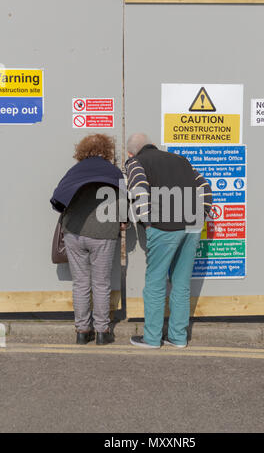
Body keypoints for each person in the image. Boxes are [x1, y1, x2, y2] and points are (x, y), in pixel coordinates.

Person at [125, 133, 212, 349]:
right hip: (191, 227)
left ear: (130, 152)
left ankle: (152, 339)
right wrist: (201, 215)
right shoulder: (181, 160)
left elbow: (138, 190)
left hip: (163, 227)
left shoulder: (136, 162)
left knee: (155, 284)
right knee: (181, 284)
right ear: (153, 145)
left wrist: (148, 224)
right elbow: (205, 188)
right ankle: (178, 337)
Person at [50, 134, 126, 345]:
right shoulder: (113, 171)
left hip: (74, 233)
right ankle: (102, 332)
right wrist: (123, 221)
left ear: (81, 151)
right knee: (101, 284)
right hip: (102, 234)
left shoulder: (74, 171)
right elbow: (122, 200)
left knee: (81, 283)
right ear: (107, 150)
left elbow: (58, 199)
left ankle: (82, 331)